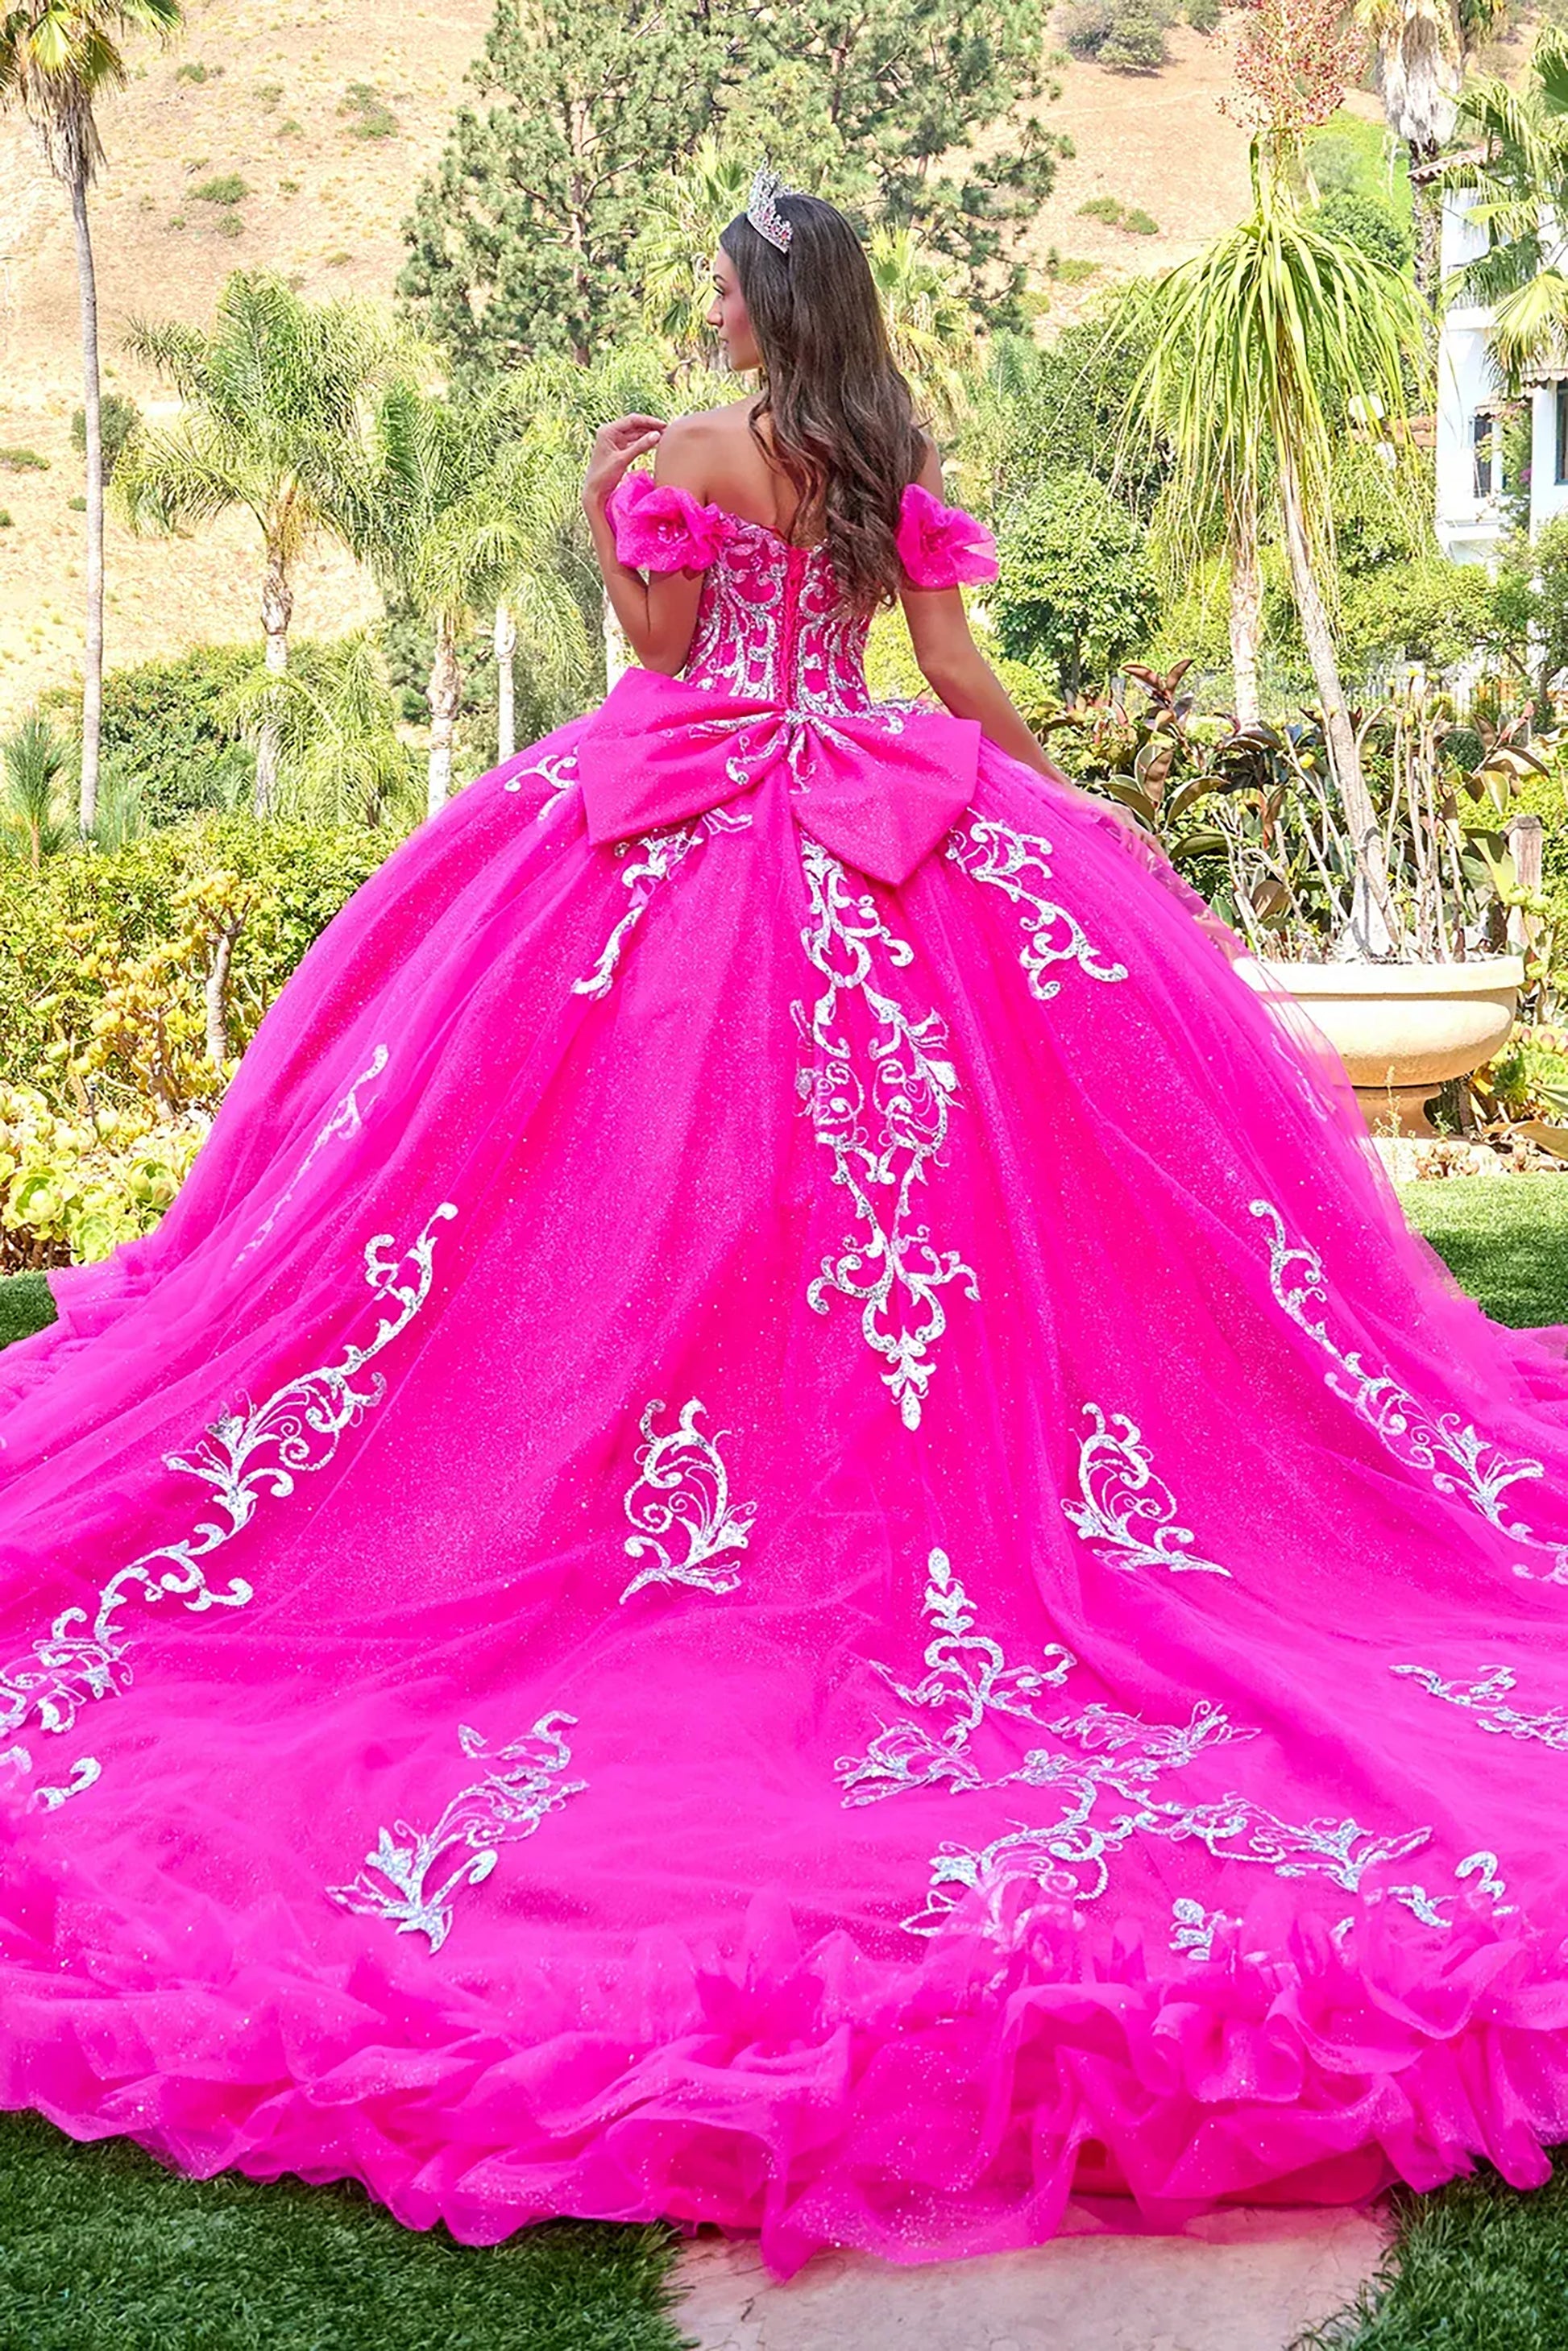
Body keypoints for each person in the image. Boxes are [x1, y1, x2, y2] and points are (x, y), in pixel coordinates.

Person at [0, 170, 1566, 2281]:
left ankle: (661, 1495)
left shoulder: (675, 460)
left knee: (606, 1202)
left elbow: (653, 656)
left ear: (751, 310)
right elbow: (943, 669)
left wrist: (612, 509)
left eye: (720, 289)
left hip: (669, 834)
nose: (707, 311)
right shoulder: (876, 452)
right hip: (887, 819)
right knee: (948, 1221)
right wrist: (1061, 816)